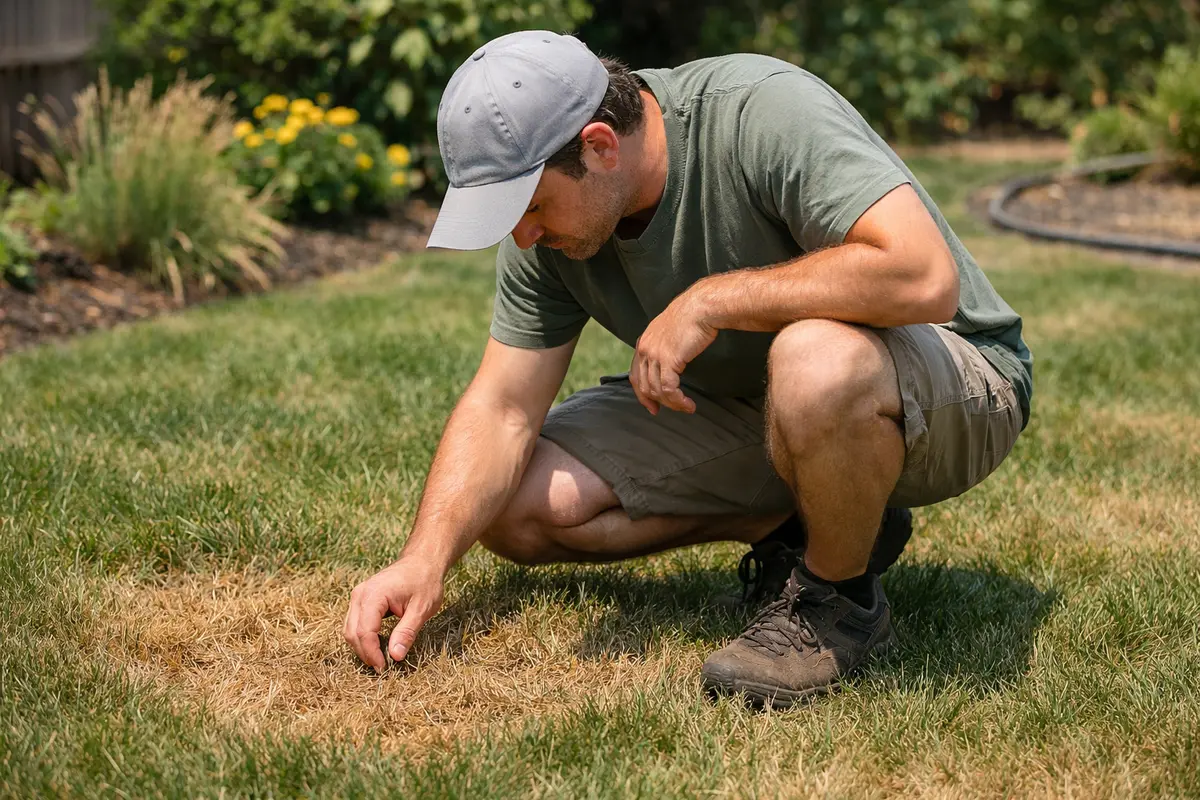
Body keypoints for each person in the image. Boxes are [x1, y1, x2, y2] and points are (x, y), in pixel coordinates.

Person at [343, 30, 1032, 708]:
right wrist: (424, 557)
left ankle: (837, 603)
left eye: (529, 208)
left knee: (814, 358)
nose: (522, 235)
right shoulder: (546, 232)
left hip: (955, 381)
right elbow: (502, 406)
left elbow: (921, 275)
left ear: (599, 147)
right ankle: (814, 523)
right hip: (760, 404)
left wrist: (714, 300)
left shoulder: (761, 112)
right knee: (518, 509)